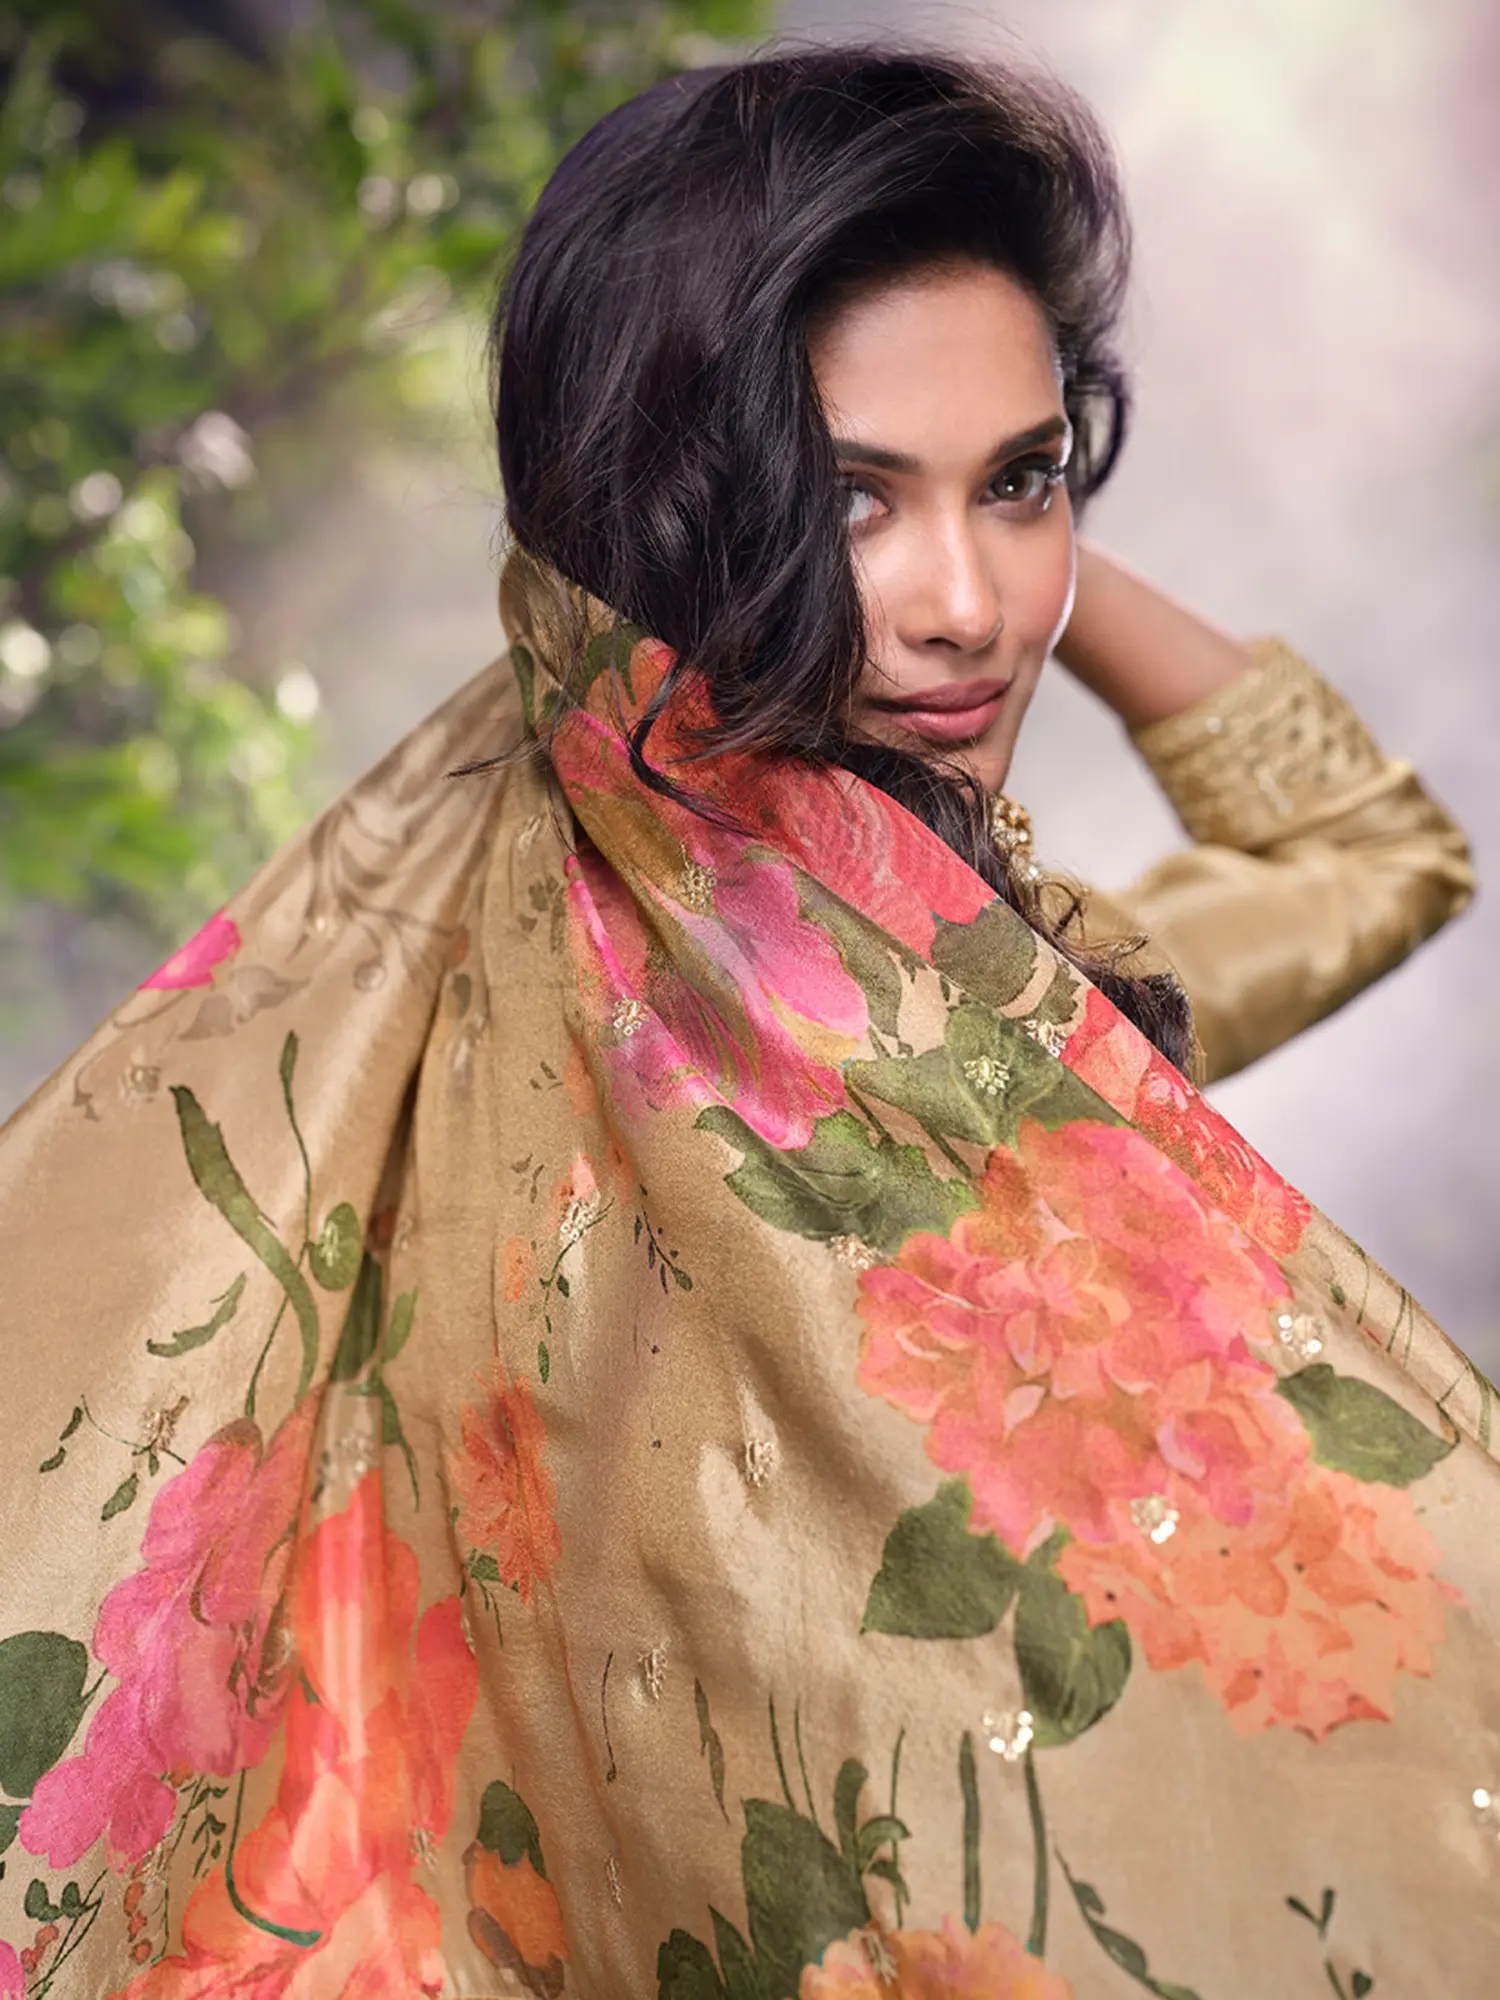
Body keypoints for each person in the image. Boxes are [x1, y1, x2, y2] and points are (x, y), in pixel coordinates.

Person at [0, 46, 1491, 2000]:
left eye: (1028, 478)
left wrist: (939, 510)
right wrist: (949, 507)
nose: (969, 609)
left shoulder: (1029, 1010)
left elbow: (1368, 849)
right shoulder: (465, 1102)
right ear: (666, 517)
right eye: (845, 498)